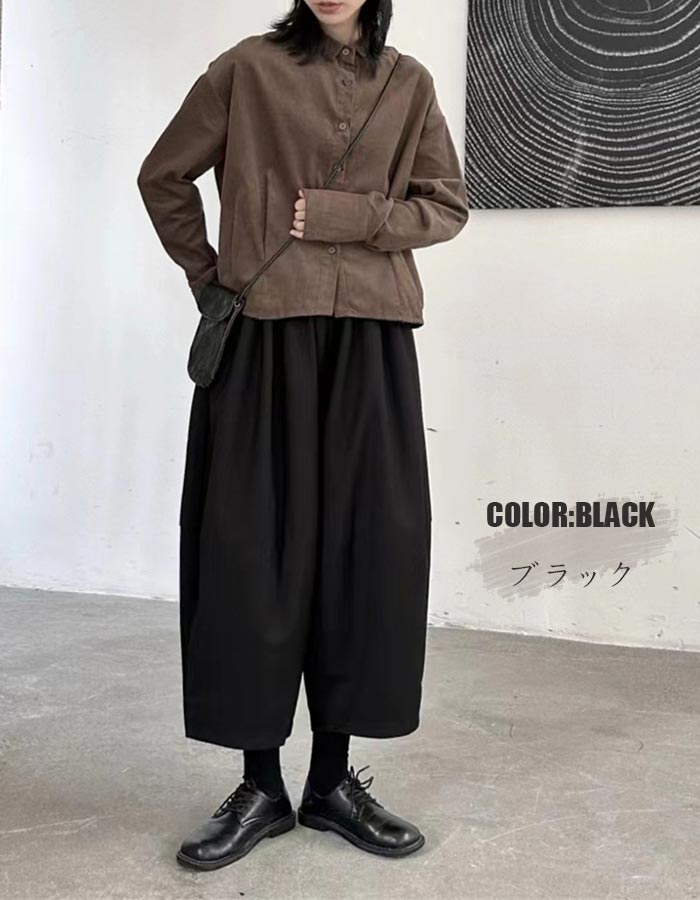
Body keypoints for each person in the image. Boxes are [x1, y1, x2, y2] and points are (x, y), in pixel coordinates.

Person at [137, 0, 469, 871]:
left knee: (367, 550)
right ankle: (260, 787)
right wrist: (213, 279)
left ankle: (329, 784)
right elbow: (162, 176)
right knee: (251, 551)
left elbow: (446, 206)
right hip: (265, 335)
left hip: (372, 340)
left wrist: (351, 217)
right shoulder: (246, 69)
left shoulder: (409, 83)